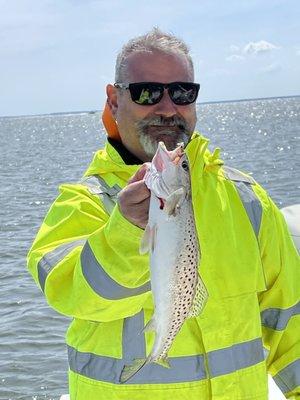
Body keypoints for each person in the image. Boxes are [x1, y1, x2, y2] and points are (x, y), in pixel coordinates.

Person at [27, 28, 300, 400]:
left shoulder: (247, 200)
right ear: (113, 100)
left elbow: (290, 323)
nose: (168, 108)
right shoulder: (82, 203)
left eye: (183, 92)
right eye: (147, 92)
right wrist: (124, 230)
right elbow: (72, 294)